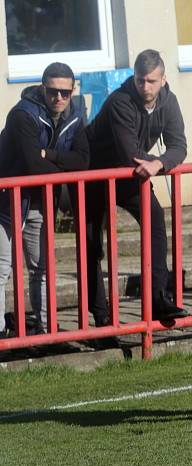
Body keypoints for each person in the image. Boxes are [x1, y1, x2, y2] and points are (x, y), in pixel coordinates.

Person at [0, 63, 89, 339]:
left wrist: (51, 155)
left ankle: (46, 330)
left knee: (41, 267)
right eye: (53, 91)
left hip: (39, 200)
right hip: (3, 199)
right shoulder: (22, 114)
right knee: (0, 269)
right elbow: (32, 165)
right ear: (43, 88)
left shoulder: (76, 114)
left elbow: (84, 160)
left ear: (72, 91)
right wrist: (61, 171)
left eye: (65, 93)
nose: (59, 98)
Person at [85, 49, 188, 326]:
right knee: (91, 245)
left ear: (164, 79)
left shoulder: (169, 101)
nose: (145, 86)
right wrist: (157, 163)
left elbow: (179, 145)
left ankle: (157, 299)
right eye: (140, 80)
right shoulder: (121, 100)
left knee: (155, 224)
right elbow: (129, 151)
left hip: (131, 176)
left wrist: (160, 163)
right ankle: (102, 318)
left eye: (152, 81)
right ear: (134, 77)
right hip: (94, 174)